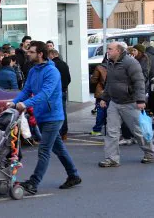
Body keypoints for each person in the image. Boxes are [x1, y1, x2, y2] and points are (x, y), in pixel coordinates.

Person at [8, 41, 81, 194]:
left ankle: (34, 183)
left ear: (40, 54)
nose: (28, 54)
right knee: (59, 149)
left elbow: (45, 94)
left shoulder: (52, 72)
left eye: (31, 52)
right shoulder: (34, 70)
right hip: (41, 115)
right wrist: (14, 102)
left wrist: (25, 104)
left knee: (44, 150)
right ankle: (73, 175)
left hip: (53, 116)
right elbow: (26, 90)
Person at [98, 42, 154, 167]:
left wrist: (140, 101)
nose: (108, 51)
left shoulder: (131, 63)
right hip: (114, 102)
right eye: (108, 49)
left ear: (118, 50)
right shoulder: (110, 63)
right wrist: (104, 98)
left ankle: (150, 153)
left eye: (110, 49)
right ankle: (112, 159)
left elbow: (139, 81)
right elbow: (109, 83)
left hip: (130, 103)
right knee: (112, 132)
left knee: (138, 131)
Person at [48, 49, 71, 140]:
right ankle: (64, 133)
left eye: (49, 55)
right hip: (63, 91)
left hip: (55, 92)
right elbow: (69, 79)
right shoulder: (64, 64)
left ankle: (57, 133)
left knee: (55, 113)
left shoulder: (52, 65)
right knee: (63, 112)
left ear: (52, 55)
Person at [90, 56, 108, 135]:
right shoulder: (117, 66)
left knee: (101, 111)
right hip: (113, 92)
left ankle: (97, 129)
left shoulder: (100, 67)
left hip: (101, 91)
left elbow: (94, 80)